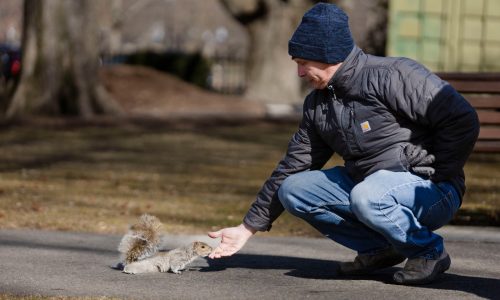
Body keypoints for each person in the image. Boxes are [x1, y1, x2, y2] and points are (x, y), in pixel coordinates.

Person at [208, 3, 479, 285]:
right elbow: (293, 166)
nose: (299, 73)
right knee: (294, 190)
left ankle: (428, 251)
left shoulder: (392, 75)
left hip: (432, 188)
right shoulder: (317, 105)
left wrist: (437, 171)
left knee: (367, 196)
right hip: (372, 189)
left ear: (326, 54)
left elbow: (462, 119)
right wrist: (247, 227)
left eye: (302, 63)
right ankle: (380, 248)